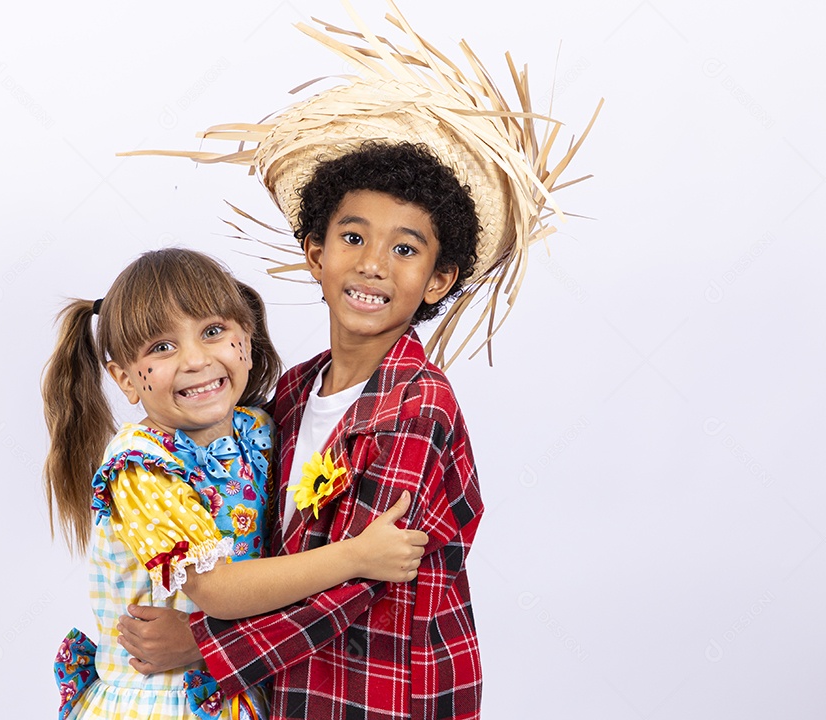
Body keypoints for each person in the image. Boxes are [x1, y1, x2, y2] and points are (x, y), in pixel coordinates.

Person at [113, 6, 599, 719]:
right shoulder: (290, 393)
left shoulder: (418, 404)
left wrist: (203, 644)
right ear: (316, 253)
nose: (373, 264)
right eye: (352, 238)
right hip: (293, 688)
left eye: (405, 248)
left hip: (384, 687)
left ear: (437, 279)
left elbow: (362, 577)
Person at [41, 248, 429, 720]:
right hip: (162, 702)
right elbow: (218, 590)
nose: (195, 359)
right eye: (161, 347)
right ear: (125, 379)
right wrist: (356, 556)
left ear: (247, 335)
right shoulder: (143, 468)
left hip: (241, 685)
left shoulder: (260, 429)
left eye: (212, 331)